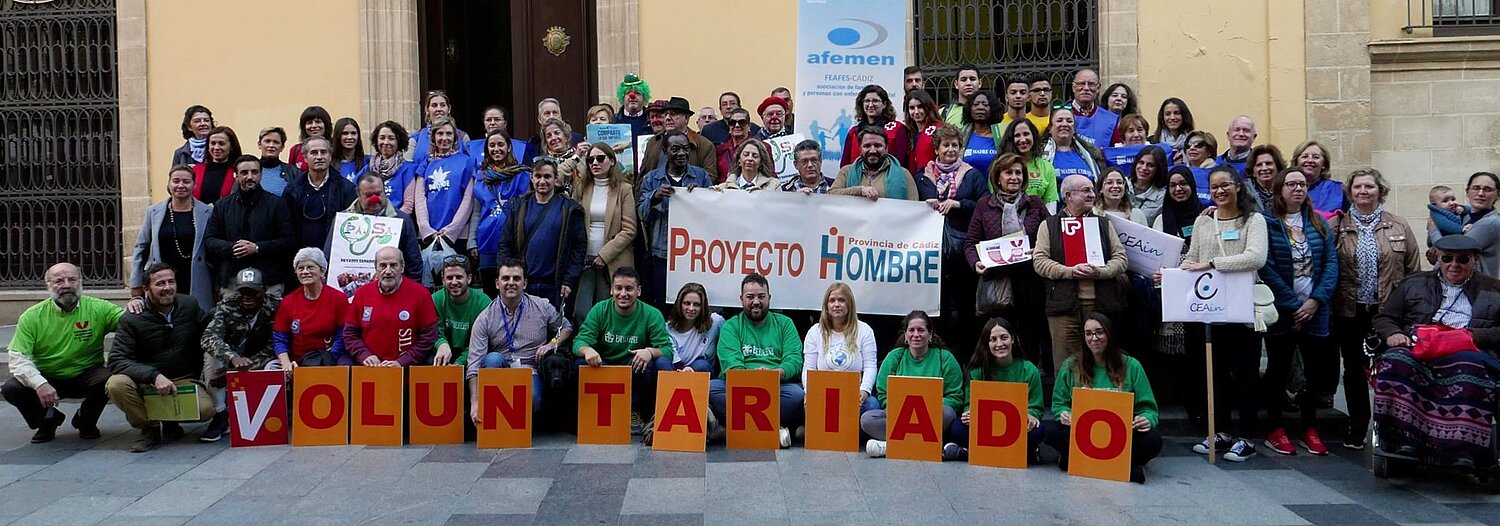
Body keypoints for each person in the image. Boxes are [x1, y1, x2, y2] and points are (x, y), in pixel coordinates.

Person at [1371, 234, 1500, 468]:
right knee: (1397, 360)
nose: (1454, 265)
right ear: (1437, 259)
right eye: (1447, 258)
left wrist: (1475, 336)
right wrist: (1392, 334)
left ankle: (1463, 448)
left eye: (1463, 260)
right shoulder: (1414, 283)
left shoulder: (1494, 289)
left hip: (1467, 349)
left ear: (1474, 261)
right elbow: (1385, 317)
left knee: (1469, 367)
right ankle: (1404, 439)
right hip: (1418, 345)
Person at [1178, 165, 1268, 462]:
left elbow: (1256, 257)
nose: (1219, 191)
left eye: (1225, 185)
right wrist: (1172, 274)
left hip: (1242, 309)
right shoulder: (1204, 220)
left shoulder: (1253, 220)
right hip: (1212, 308)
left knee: (1246, 375)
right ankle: (1222, 430)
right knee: (1215, 373)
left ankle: (1247, 437)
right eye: (1214, 187)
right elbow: (1192, 258)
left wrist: (1212, 264)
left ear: (1238, 187)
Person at [1330, 169, 1421, 449]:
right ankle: (1357, 426)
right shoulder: (1337, 226)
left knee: (1392, 369)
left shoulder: (1399, 225)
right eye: (1358, 187)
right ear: (1350, 192)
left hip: (1388, 313)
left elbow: (1412, 271)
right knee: (1354, 370)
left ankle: (1392, 429)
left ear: (1380, 191)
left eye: (1369, 186)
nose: (1363, 192)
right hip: (1350, 309)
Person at [1258, 168, 1340, 456]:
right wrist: (1292, 304)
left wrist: (1316, 301)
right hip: (1282, 310)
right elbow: (1265, 266)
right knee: (1278, 369)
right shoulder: (1267, 224)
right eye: (1291, 184)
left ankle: (1309, 427)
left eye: (1302, 184)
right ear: (1280, 189)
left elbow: (1331, 263)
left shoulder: (1319, 223)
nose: (1298, 189)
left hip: (1315, 310)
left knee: (1314, 373)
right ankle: (1275, 428)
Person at [3, 263, 120, 443]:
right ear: (48, 285)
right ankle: (48, 421)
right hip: (48, 376)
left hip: (86, 373)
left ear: (80, 282)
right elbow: (18, 357)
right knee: (11, 388)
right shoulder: (32, 316)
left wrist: (137, 303)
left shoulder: (100, 308)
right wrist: (40, 384)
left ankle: (85, 421)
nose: (66, 285)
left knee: (110, 379)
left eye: (72, 279)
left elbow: (130, 322)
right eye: (59, 281)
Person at [107, 263, 214, 453]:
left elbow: (208, 329)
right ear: (146, 289)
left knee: (205, 410)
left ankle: (170, 422)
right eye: (160, 284)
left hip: (182, 379)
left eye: (171, 282)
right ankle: (149, 429)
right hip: (145, 383)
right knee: (116, 385)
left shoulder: (189, 305)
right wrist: (153, 376)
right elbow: (116, 360)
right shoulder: (132, 318)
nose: (167, 288)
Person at [1044, 312, 1162, 482]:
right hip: (1083, 436)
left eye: (1099, 332)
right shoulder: (1071, 365)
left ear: (1109, 334)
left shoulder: (1132, 365)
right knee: (1049, 431)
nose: (1094, 338)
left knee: (1153, 440)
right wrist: (1063, 413)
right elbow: (1059, 403)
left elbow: (1148, 408)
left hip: (1121, 436)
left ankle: (1079, 462)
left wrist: (1146, 419)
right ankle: (1126, 468)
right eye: (1089, 333)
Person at [1032, 174, 1129, 372]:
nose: (1092, 194)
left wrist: (1101, 272)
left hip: (1101, 305)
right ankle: (1068, 403)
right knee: (1067, 366)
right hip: (1063, 307)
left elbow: (1121, 259)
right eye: (1085, 190)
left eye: (1092, 190)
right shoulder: (1049, 225)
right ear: (1068, 196)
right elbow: (1040, 262)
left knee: (1103, 362)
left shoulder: (1104, 224)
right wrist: (1070, 271)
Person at [966, 153, 1051, 363]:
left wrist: (1039, 249)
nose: (1014, 177)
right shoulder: (984, 205)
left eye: (1018, 173)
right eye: (1008, 172)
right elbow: (970, 243)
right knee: (999, 338)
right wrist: (975, 262)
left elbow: (1051, 237)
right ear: (997, 178)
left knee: (1030, 338)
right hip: (997, 285)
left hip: (1030, 283)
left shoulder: (1036, 204)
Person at [468, 258, 573, 418]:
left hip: (530, 369)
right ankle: (495, 415)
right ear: (497, 283)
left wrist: (552, 344)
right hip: (500, 368)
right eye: (505, 278)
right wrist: (475, 403)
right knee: (492, 360)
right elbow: (474, 366)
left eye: (516, 278)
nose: (511, 283)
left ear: (524, 283)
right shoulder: (485, 318)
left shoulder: (542, 307)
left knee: (535, 402)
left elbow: (566, 327)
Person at [573, 266, 674, 430]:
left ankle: (640, 412)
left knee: (655, 363)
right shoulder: (599, 310)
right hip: (603, 367)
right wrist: (587, 350)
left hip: (633, 369)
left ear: (638, 291)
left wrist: (649, 351)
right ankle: (585, 416)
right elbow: (578, 342)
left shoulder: (652, 314)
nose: (623, 294)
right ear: (611, 290)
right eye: (618, 288)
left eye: (629, 288)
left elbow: (668, 351)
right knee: (579, 363)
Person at [711, 273, 804, 448]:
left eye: (761, 296)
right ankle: (774, 428)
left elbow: (794, 358)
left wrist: (776, 374)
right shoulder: (731, 326)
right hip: (740, 389)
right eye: (750, 297)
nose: (756, 302)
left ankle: (732, 429)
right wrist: (754, 377)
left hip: (777, 385)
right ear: (741, 299)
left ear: (769, 298)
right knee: (711, 389)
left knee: (798, 395)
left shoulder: (785, 323)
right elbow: (731, 366)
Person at [861, 311, 964, 459]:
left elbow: (955, 396)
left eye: (921, 330)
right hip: (900, 416)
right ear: (905, 335)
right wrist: (903, 411)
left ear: (930, 335)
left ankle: (892, 446)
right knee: (867, 419)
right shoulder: (894, 357)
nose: (916, 334)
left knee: (947, 413)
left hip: (932, 416)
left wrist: (923, 409)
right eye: (911, 330)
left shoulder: (945, 358)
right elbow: (883, 393)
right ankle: (923, 445)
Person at [200, 267, 280, 442]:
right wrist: (232, 358)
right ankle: (220, 415)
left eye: (253, 292)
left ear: (264, 290)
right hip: (233, 357)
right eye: (243, 292)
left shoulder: (276, 306)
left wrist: (239, 372)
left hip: (259, 359)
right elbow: (209, 337)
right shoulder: (228, 305)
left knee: (275, 365)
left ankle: (269, 415)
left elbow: (275, 345)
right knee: (212, 357)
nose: (247, 297)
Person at [948, 317, 1044, 462]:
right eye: (993, 339)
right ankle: (1022, 453)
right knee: (956, 428)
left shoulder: (1029, 370)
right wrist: (970, 413)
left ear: (1013, 339)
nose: (999, 344)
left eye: (1004, 338)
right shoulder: (976, 372)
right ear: (987, 344)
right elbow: (969, 404)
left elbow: (1036, 406)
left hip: (1015, 428)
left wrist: (1030, 415)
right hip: (986, 428)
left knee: (1039, 431)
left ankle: (969, 452)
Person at [497, 157, 587, 309]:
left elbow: (578, 248)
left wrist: (569, 280)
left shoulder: (570, 208)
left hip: (556, 285)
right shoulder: (518, 206)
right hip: (524, 283)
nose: (542, 181)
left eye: (547, 176)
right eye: (538, 176)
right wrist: (507, 278)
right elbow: (505, 244)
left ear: (556, 178)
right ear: (531, 178)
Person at [638, 131, 714, 306]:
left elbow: (712, 216)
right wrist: (654, 197)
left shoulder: (701, 176)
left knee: (691, 305)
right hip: (661, 254)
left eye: (686, 149)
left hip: (693, 254)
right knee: (663, 305)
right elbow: (642, 215)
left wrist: (702, 197)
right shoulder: (652, 179)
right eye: (676, 149)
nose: (682, 153)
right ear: (665, 151)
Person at [203, 154, 295, 296]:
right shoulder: (222, 206)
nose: (250, 177)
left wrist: (257, 248)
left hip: (269, 280)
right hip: (231, 279)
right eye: (244, 173)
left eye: (255, 172)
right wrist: (233, 247)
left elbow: (288, 240)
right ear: (236, 176)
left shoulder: (277, 204)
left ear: (261, 175)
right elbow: (210, 240)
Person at [132, 165, 215, 311]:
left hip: (195, 280)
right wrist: (136, 283)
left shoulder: (208, 212)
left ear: (194, 184)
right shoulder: (153, 212)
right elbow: (141, 248)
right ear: (169, 184)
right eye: (176, 181)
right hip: (162, 282)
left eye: (186, 181)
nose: (181, 185)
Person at [571, 143, 638, 321]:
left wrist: (604, 255)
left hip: (612, 260)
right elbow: (573, 223)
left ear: (612, 161)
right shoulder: (580, 188)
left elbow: (629, 230)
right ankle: (583, 346)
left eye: (600, 158)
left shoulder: (624, 189)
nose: (595, 163)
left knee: (607, 311)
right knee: (581, 311)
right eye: (590, 159)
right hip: (585, 259)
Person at [344, 247, 439, 367]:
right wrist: (364, 355)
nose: (388, 271)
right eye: (383, 265)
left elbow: (429, 337)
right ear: (376, 268)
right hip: (369, 369)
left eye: (393, 265)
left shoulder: (421, 294)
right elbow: (350, 333)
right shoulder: (362, 293)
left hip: (408, 370)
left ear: (402, 267)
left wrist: (403, 361)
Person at [468, 129, 532, 295]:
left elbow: (528, 209)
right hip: (487, 240)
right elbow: (476, 212)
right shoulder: (482, 177)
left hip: (513, 240)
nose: (496, 149)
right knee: (491, 290)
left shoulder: (522, 174)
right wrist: (472, 241)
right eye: (492, 145)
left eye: (501, 144)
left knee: (513, 288)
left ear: (509, 147)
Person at [331, 174, 425, 284]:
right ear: (358, 194)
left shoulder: (402, 220)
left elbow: (414, 263)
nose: (374, 199)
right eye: (368, 195)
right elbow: (330, 257)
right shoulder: (342, 221)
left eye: (378, 194)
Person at [801, 282, 878, 412]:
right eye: (832, 300)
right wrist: (809, 392)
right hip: (823, 393)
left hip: (853, 393)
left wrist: (864, 390)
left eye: (842, 300)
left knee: (871, 406)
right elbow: (808, 368)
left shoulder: (865, 330)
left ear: (850, 304)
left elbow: (870, 365)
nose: (836, 304)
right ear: (826, 306)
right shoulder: (815, 332)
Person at [272, 248, 351, 373]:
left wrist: (326, 359)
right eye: (300, 268)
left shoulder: (338, 299)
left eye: (310, 267)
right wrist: (286, 363)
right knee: (271, 368)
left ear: (322, 271)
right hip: (296, 361)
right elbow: (280, 338)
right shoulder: (288, 301)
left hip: (328, 358)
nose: (305, 272)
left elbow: (343, 335)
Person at [284, 137, 358, 252]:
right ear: (305, 157)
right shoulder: (292, 190)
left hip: (333, 254)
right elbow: (287, 228)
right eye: (313, 153)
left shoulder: (347, 189)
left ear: (330, 156)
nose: (319, 157)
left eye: (324, 152)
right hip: (300, 257)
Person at [416, 116, 477, 252]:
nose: (444, 138)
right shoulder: (425, 163)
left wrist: (451, 231)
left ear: (455, 137)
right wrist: (427, 230)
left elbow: (468, 200)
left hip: (457, 236)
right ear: (433, 137)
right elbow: (419, 199)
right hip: (429, 236)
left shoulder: (467, 162)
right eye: (440, 133)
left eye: (449, 134)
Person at [1428, 173, 1499, 275]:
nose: (1480, 193)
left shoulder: (1490, 223)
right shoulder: (1465, 217)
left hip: (1478, 287)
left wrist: (1432, 228)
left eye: (1487, 189)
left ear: (1497, 194)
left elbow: (1451, 250)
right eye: (1476, 188)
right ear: (1467, 192)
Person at [431, 256, 490, 368]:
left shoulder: (483, 303)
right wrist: (441, 343)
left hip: (473, 356)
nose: (454, 282)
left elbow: (480, 342)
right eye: (449, 278)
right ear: (443, 280)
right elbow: (433, 332)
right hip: (443, 354)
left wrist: (459, 363)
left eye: (459, 277)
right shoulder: (435, 300)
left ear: (469, 278)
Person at [832, 126, 919, 201]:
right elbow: (830, 195)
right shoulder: (846, 171)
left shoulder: (903, 174)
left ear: (886, 148)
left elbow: (914, 207)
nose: (873, 150)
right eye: (867, 146)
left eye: (878, 146)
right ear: (860, 148)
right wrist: (860, 191)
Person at [640, 97, 719, 180]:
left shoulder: (705, 145)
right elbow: (642, 177)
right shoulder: (653, 142)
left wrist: (695, 188)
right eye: (665, 114)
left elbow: (710, 178)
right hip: (657, 191)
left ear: (686, 118)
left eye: (673, 114)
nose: (667, 118)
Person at [840, 84, 910, 168]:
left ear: (884, 104)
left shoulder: (898, 129)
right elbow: (845, 165)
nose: (870, 105)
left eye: (875, 101)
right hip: (856, 179)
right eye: (866, 101)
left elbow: (899, 163)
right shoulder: (854, 132)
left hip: (888, 179)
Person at [999, 118, 1059, 207]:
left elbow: (1050, 203)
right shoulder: (1000, 165)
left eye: (1026, 134)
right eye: (1017, 135)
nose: (1023, 139)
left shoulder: (1047, 167)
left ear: (1033, 136)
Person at [666, 283, 724, 374]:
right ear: (679, 304)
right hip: (677, 372)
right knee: (662, 362)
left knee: (701, 364)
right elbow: (676, 362)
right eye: (687, 303)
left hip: (703, 373)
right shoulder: (669, 328)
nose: (691, 308)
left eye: (696, 304)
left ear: (703, 307)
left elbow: (730, 336)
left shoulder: (715, 322)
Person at [368, 120, 420, 214]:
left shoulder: (408, 169)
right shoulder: (368, 168)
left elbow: (408, 206)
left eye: (391, 138)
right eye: (382, 138)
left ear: (398, 142)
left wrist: (389, 221)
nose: (386, 142)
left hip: (397, 222)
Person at [1042, 107, 1103, 182]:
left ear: (1074, 128)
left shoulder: (1090, 152)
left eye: (1069, 121)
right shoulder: (1040, 152)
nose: (1064, 124)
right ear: (1050, 128)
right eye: (1059, 120)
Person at [412, 90, 470, 165]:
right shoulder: (416, 139)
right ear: (427, 110)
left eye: (443, 105)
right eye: (434, 105)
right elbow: (408, 168)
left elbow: (470, 166)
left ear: (449, 109)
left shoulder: (462, 137)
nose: (439, 109)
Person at [1066, 69, 1119, 149]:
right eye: (1081, 83)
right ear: (1074, 88)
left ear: (1098, 88)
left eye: (1091, 84)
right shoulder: (1060, 115)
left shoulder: (1111, 120)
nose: (1086, 88)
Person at [191, 126, 242, 206]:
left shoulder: (238, 173)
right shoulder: (195, 170)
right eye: (213, 143)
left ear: (231, 146)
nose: (216, 147)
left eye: (221, 143)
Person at [959, 91, 1005, 177]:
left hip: (994, 189)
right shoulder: (962, 136)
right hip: (969, 189)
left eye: (985, 105)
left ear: (992, 109)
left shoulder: (1001, 135)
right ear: (970, 109)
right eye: (976, 104)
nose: (980, 107)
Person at [1292, 140, 1343, 218]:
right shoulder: (1287, 188)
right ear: (1296, 162)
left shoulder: (1338, 189)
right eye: (1305, 156)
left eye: (1316, 157)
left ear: (1324, 164)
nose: (1310, 160)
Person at [711, 139, 780, 192]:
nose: (750, 158)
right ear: (739, 159)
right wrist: (715, 197)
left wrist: (761, 196)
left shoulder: (774, 185)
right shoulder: (723, 188)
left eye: (755, 156)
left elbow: (778, 208)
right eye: (746, 154)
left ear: (761, 162)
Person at [903, 90, 942, 174]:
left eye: (920, 107)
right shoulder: (908, 132)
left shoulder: (940, 129)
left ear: (928, 107)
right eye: (912, 108)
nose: (916, 112)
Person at [1129, 145, 1169, 226]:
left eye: (1150, 165)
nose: (1144, 168)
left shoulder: (1162, 197)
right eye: (1141, 162)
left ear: (1158, 169)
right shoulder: (1121, 185)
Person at [715, 108, 757, 179]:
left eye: (742, 122)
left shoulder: (760, 148)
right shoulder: (720, 150)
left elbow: (768, 174)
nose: (737, 125)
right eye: (732, 123)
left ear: (749, 126)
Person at [257, 127, 298, 197]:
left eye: (276, 142)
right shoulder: (249, 170)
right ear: (259, 144)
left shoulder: (293, 172)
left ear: (282, 147)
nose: (271, 145)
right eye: (267, 141)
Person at [288, 106, 332, 171]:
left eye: (318, 122)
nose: (314, 126)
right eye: (309, 123)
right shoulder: (295, 150)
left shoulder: (335, 148)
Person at [1246, 144, 1286, 213]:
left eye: (1268, 163)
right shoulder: (1244, 192)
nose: (1264, 168)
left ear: (1278, 167)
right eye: (1259, 165)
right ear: (1253, 172)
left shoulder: (1286, 189)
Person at [614, 74, 652, 138]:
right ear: (623, 97)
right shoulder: (613, 121)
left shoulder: (651, 120)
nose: (632, 96)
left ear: (644, 97)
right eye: (628, 93)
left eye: (637, 93)